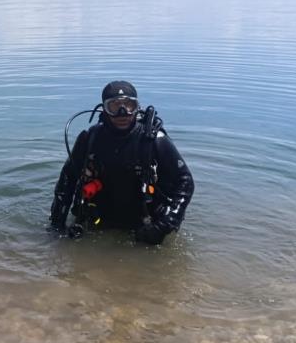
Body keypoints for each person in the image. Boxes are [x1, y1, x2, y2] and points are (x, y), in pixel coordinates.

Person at [49, 80, 194, 245]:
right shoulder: (90, 139)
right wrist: (56, 226)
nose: (122, 113)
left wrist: (165, 224)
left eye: (129, 105)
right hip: (99, 218)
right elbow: (67, 181)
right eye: (114, 106)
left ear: (137, 107)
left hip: (144, 222)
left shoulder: (154, 141)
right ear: (104, 108)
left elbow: (185, 181)